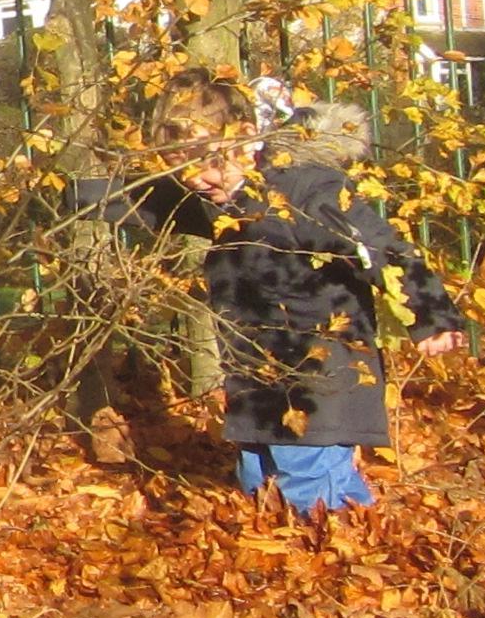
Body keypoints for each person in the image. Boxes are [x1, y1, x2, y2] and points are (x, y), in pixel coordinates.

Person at [128, 70, 465, 516]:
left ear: (246, 137)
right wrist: (76, 195)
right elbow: (148, 200)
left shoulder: (305, 189)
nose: (194, 179)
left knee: (309, 493)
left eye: (204, 162)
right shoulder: (222, 199)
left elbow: (379, 246)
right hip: (257, 379)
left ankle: (347, 547)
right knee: (258, 485)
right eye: (180, 167)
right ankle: (336, 538)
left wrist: (431, 314)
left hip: (318, 378)